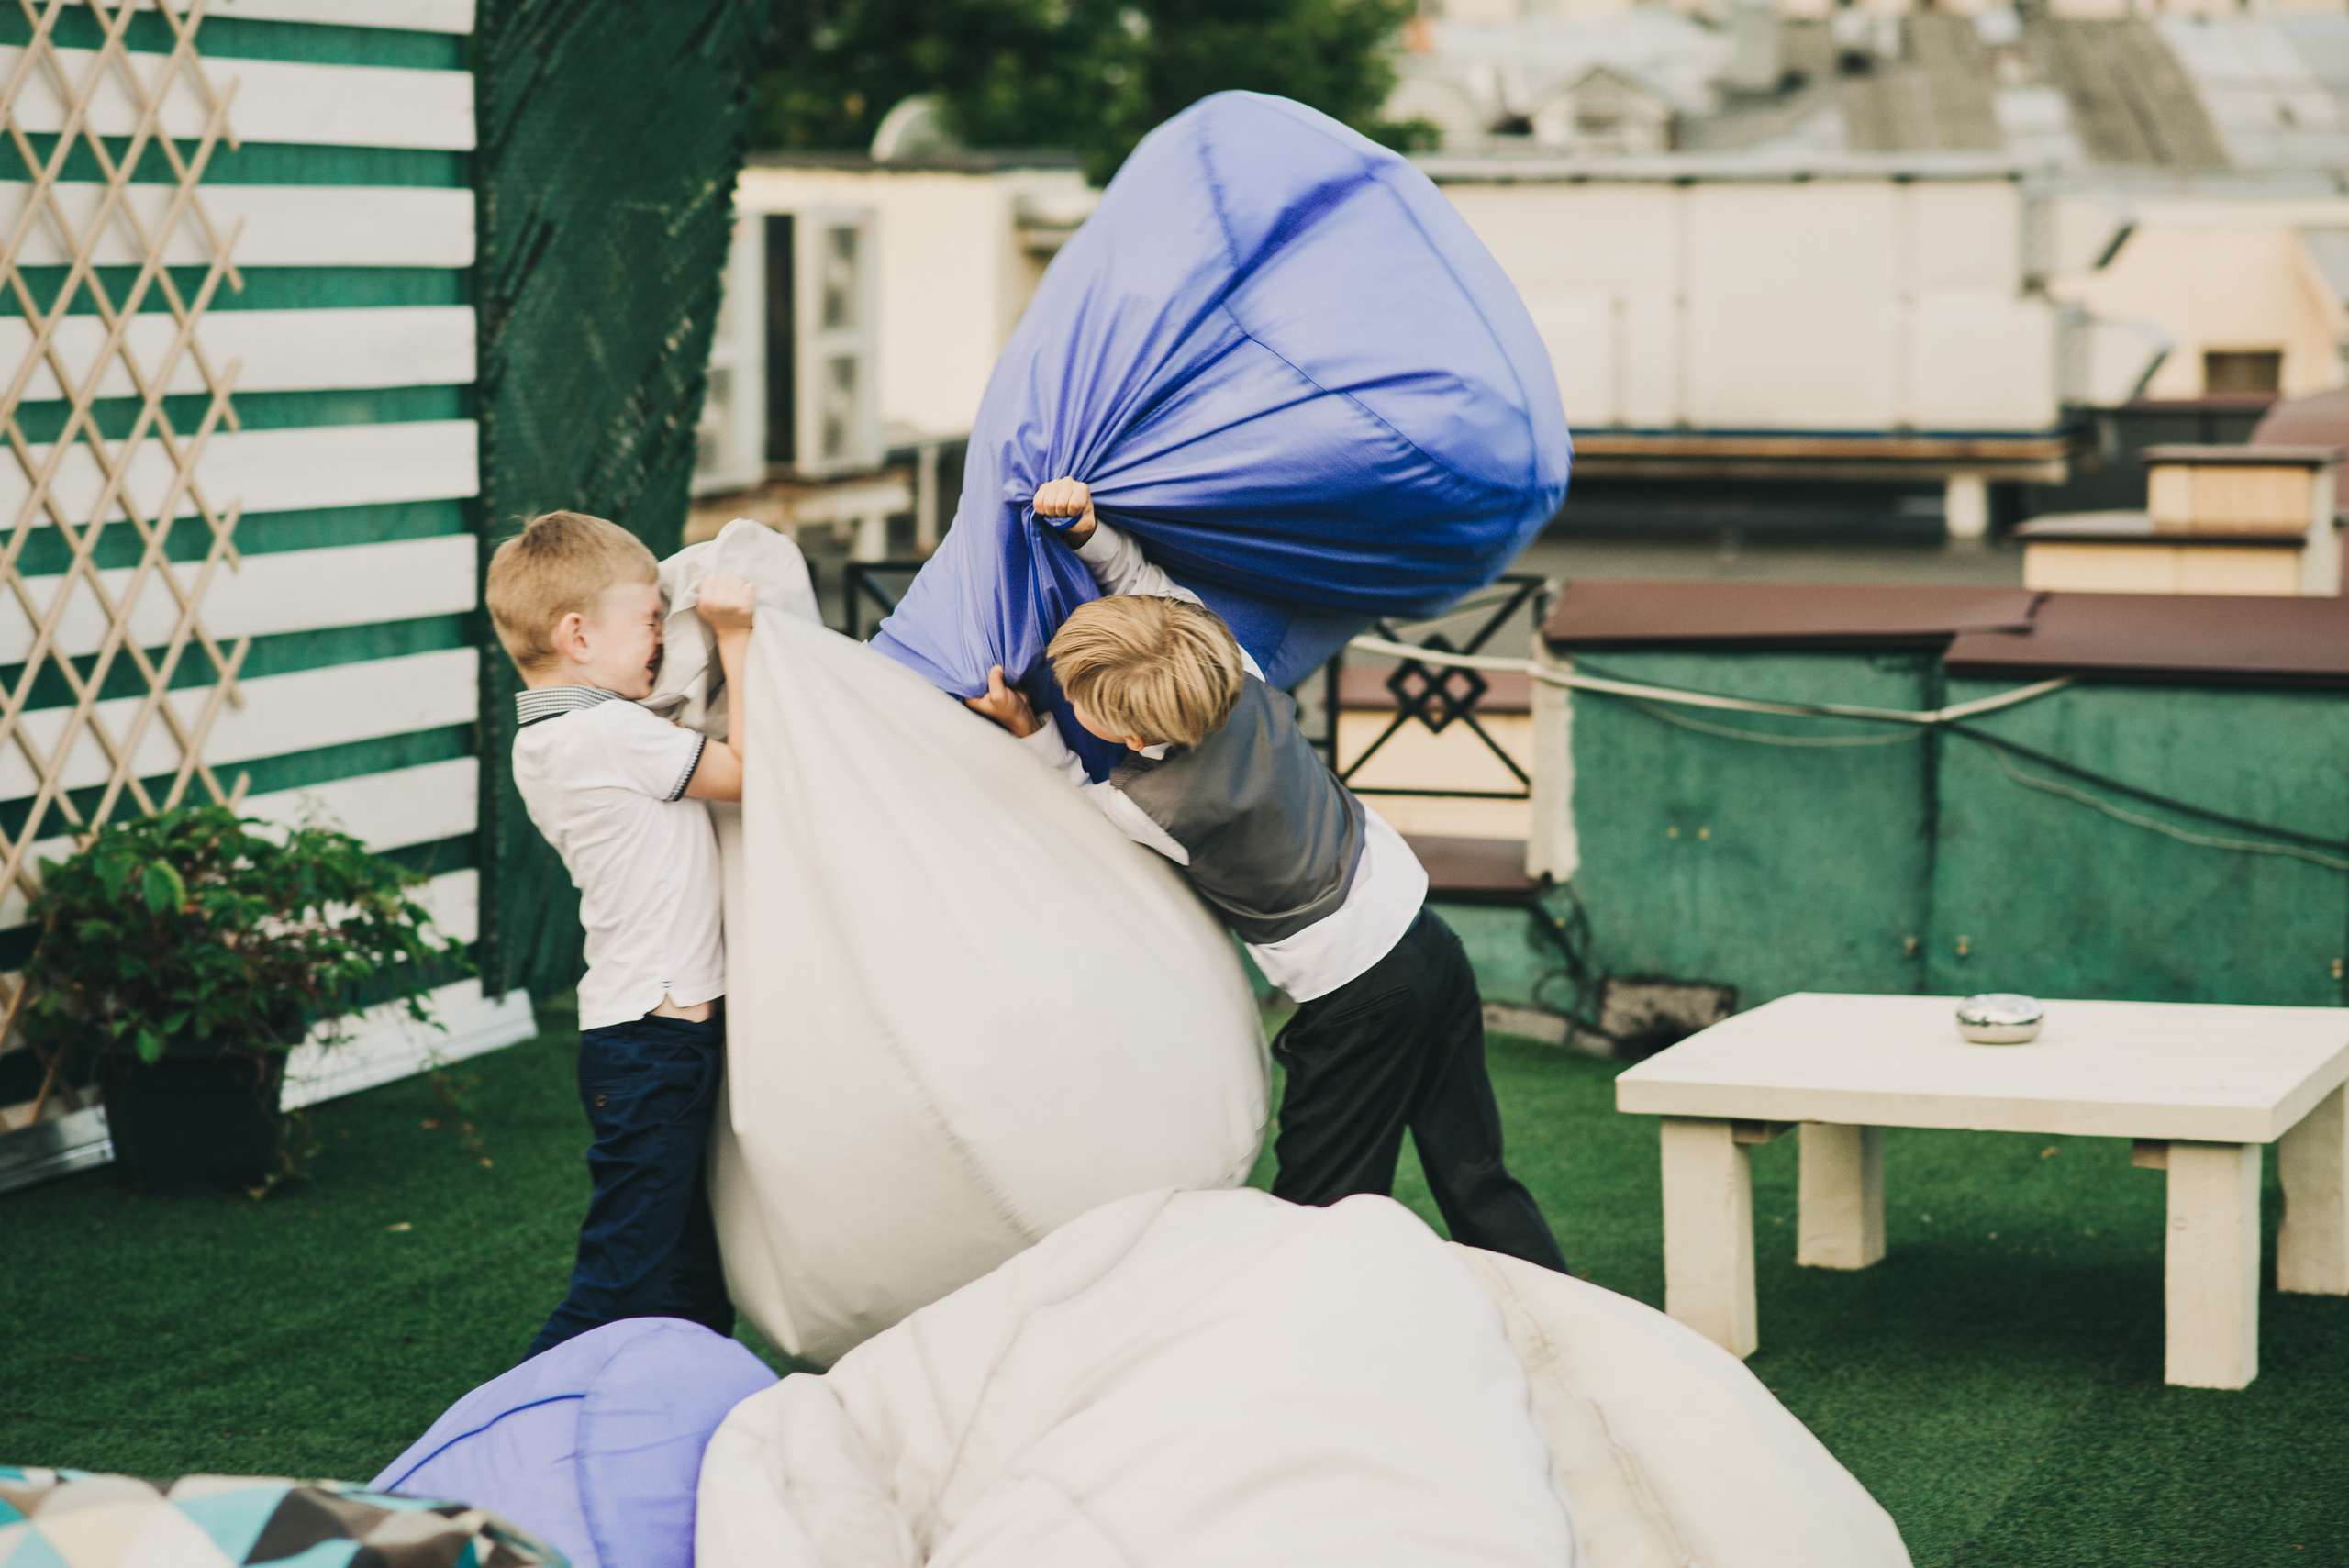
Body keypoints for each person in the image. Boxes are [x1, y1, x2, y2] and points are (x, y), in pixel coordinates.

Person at [965, 479, 1568, 1273]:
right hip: (1426, 936)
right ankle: (1554, 1301)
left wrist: (1028, 731)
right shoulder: (1230, 665)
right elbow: (1144, 587)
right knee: (1472, 1165)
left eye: (1079, 700)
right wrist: (1087, 532)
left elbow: (1074, 807)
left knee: (1321, 1195)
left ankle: (1304, 1348)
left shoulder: (1150, 804)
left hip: (1357, 995)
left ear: (1125, 728)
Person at [484, 509, 758, 1357]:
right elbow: (750, 773)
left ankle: (664, 1434)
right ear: (576, 634)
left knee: (689, 1290)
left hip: (645, 1040)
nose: (657, 639)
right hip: (654, 1045)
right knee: (618, 1287)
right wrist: (735, 635)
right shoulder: (607, 731)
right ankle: (493, 1456)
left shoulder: (556, 734)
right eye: (648, 621)